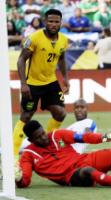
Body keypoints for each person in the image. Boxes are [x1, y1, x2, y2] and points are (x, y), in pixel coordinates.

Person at [13, 9, 70, 158]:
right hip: (32, 84)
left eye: (56, 21)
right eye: (50, 21)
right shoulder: (34, 38)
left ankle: (47, 144)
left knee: (60, 113)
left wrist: (64, 78)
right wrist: (23, 84)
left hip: (51, 83)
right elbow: (21, 60)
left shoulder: (63, 39)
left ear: (60, 23)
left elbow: (62, 59)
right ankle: (12, 155)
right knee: (26, 116)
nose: (53, 24)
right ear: (45, 22)